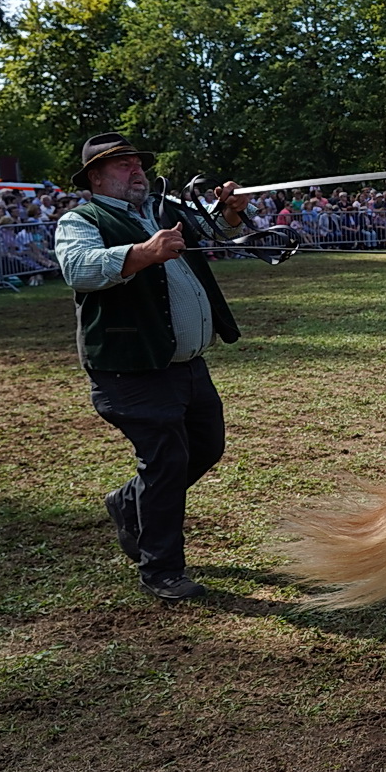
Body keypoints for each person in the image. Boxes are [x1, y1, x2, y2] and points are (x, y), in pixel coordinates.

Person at [53, 134, 251, 601]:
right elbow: (78, 268)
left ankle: (127, 503)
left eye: (137, 163)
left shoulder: (163, 214)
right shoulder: (80, 220)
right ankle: (160, 569)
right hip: (130, 368)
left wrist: (230, 212)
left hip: (185, 364)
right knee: (166, 463)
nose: (136, 170)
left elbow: (214, 240)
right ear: (95, 179)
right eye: (121, 166)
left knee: (205, 446)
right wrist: (143, 252)